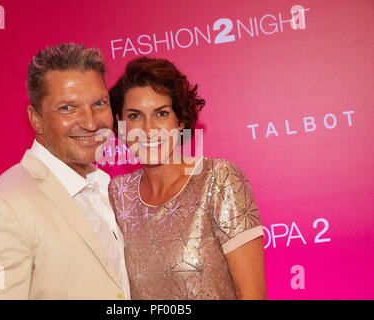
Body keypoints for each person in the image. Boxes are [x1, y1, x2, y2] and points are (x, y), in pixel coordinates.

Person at [0, 43, 130, 299]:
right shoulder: (1, 207)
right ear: (36, 119)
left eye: (99, 103)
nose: (91, 122)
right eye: (67, 108)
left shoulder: (108, 188)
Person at [108, 57, 267, 300]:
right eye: (134, 116)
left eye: (161, 113)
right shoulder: (117, 194)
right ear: (120, 124)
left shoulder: (218, 180)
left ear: (180, 121)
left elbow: (253, 296)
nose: (148, 129)